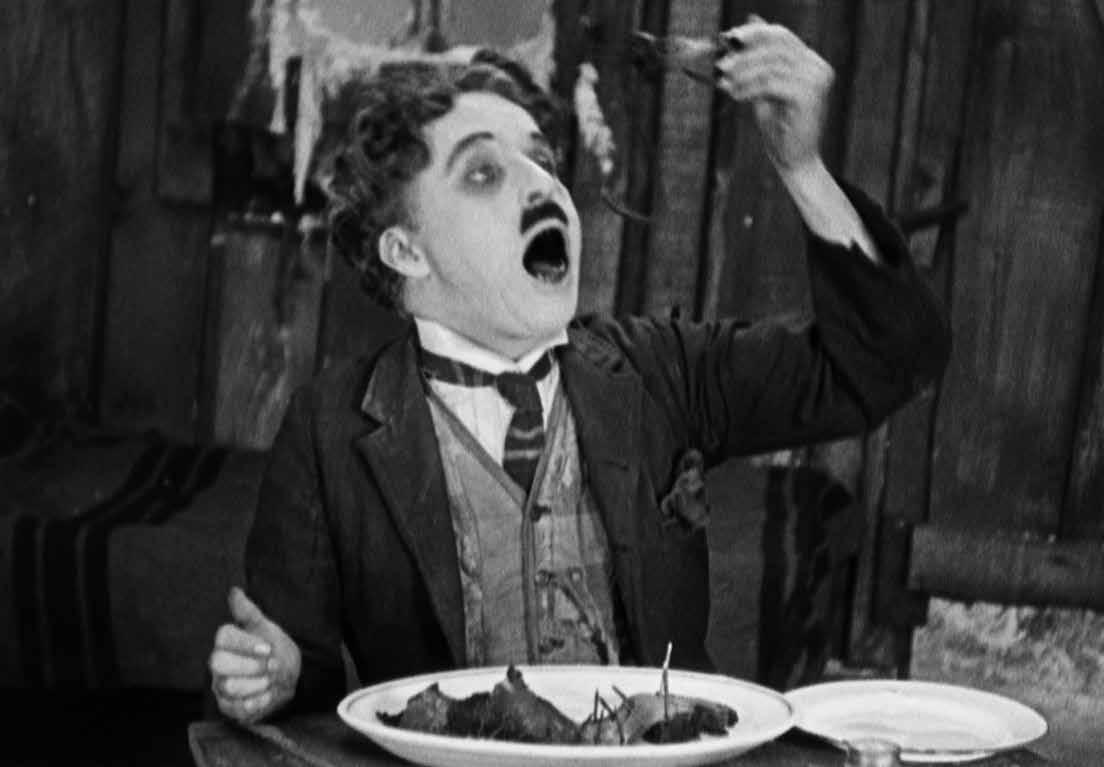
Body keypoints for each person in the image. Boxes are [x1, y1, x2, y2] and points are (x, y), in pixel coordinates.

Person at [208, 18, 951, 723]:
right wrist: (273, 677)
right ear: (406, 251)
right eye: (483, 173)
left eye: (541, 159)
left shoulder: (660, 369)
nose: (541, 185)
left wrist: (803, 168)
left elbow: (889, 361)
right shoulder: (329, 430)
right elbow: (300, 685)